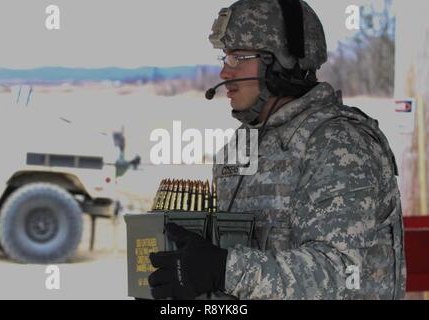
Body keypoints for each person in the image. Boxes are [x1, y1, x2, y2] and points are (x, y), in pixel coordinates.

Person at [149, 0, 406, 300]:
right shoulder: (242, 144)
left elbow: (340, 272)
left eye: (238, 57)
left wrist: (222, 269)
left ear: (282, 63)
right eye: (224, 57)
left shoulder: (338, 143)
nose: (224, 73)